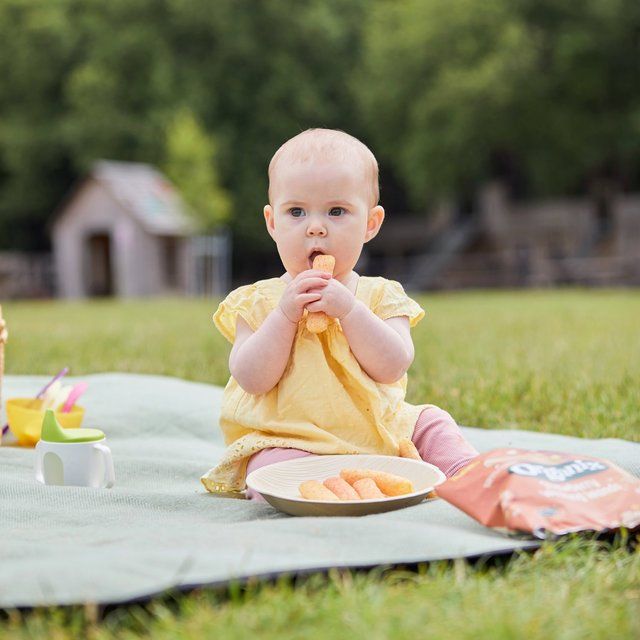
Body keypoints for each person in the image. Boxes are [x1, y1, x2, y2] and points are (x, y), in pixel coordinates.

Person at [201, 128, 478, 500]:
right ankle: (301, 492)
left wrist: (349, 309)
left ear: (370, 224)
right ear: (272, 223)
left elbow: (393, 364)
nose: (316, 226)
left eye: (336, 211)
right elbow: (251, 378)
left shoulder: (381, 295)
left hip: (376, 429)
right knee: (268, 467)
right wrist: (284, 316)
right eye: (296, 211)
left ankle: (471, 476)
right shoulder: (258, 301)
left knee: (432, 422)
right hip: (291, 437)